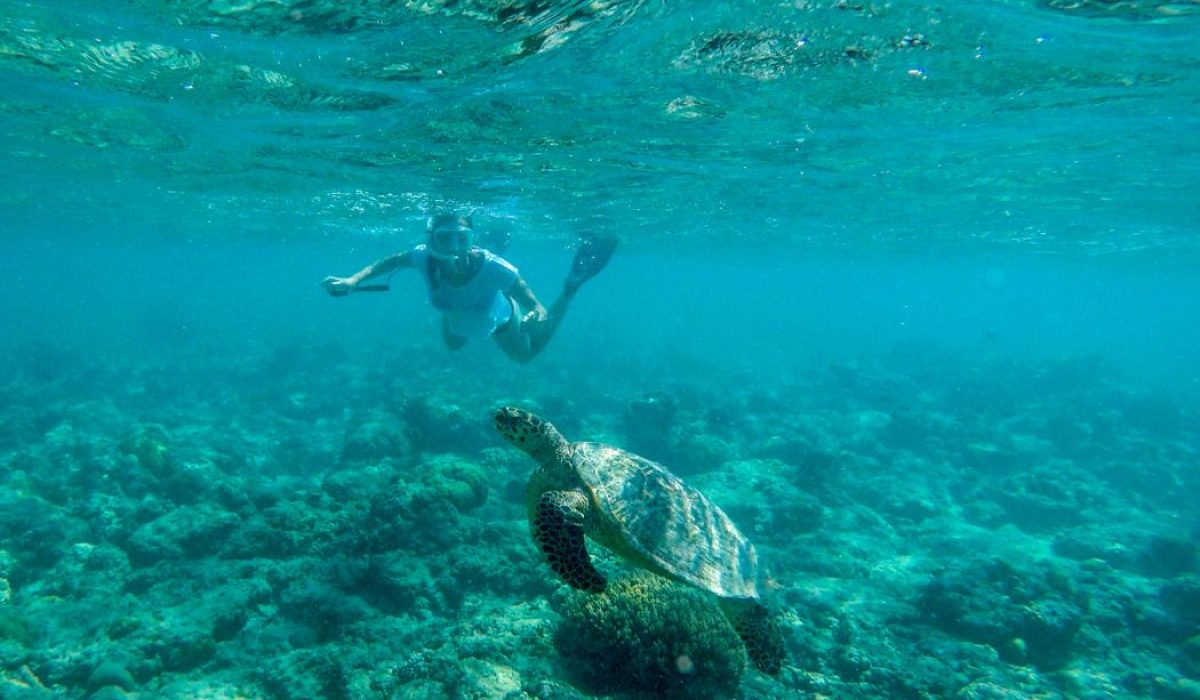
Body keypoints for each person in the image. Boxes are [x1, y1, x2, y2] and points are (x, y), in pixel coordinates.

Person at [321, 213, 616, 363]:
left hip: (500, 319)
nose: (454, 248)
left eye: (462, 239)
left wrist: (535, 315)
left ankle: (571, 288)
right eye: (445, 238)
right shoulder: (423, 257)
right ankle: (457, 309)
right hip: (455, 316)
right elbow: (389, 262)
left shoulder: (496, 268)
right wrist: (352, 281)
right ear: (432, 239)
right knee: (453, 344)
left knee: (527, 355)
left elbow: (535, 305)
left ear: (472, 239)